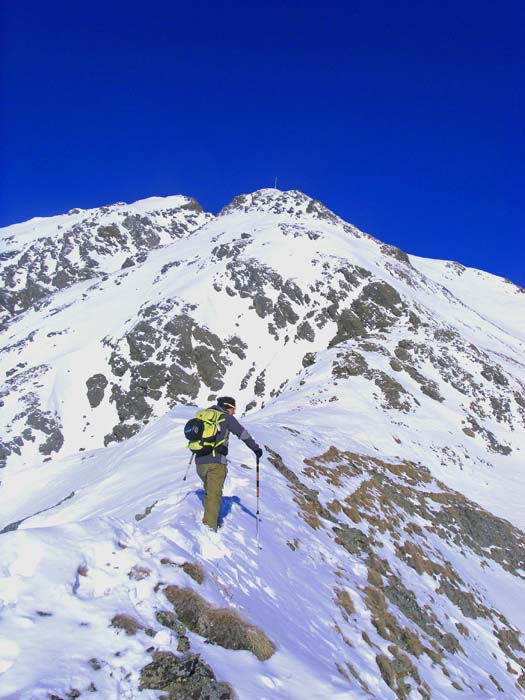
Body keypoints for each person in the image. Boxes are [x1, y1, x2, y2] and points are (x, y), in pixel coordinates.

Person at [195, 396, 262, 531]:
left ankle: (209, 517)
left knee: (209, 490)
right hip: (216, 462)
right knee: (214, 494)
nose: (234, 412)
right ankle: (210, 527)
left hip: (200, 462)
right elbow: (242, 433)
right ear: (227, 407)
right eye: (233, 409)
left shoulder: (204, 416)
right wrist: (255, 448)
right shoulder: (226, 418)